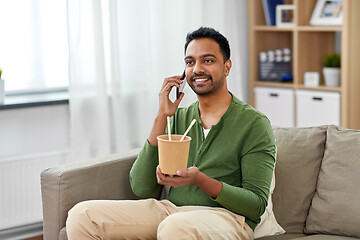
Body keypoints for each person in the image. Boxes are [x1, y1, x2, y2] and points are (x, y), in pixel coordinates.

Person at [66, 27, 276, 240]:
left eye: (208, 61)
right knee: (82, 216)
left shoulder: (254, 124)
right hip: (171, 211)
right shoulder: (177, 118)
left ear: (227, 67)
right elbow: (141, 187)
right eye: (190, 62)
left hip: (228, 218)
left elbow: (256, 205)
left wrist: (200, 181)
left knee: (175, 227)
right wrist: (161, 115)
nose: (197, 69)